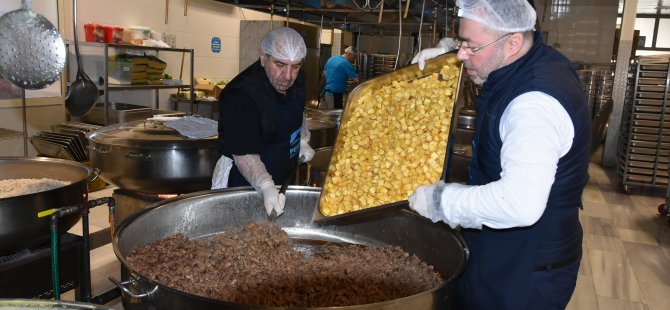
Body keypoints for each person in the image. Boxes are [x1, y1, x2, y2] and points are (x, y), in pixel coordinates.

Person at [409, 0, 591, 309]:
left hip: (524, 273)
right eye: (462, 41)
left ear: (513, 43)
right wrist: (452, 51)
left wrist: (441, 201)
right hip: (502, 254)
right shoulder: (530, 56)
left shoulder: (533, 106)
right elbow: (486, 39)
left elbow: (519, 205)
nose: (463, 55)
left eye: (471, 47)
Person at [211, 27, 315, 217]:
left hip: (283, 174)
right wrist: (266, 186)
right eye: (280, 65)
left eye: (295, 66)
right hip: (244, 183)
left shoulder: (297, 79)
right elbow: (244, 153)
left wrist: (302, 140)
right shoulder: (240, 95)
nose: (288, 76)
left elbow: (297, 110)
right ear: (263, 56)